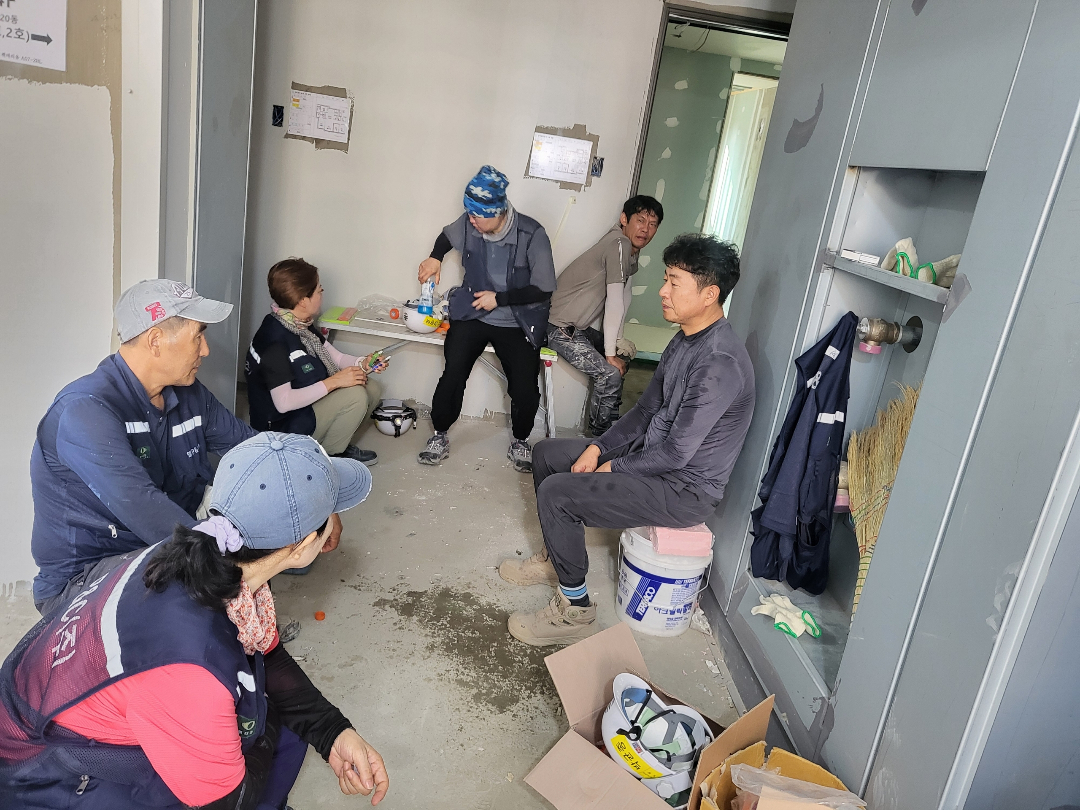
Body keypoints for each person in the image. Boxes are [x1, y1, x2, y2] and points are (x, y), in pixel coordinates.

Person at [0, 432, 389, 809]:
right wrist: (265, 722)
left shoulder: (199, 553)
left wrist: (332, 731)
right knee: (267, 730)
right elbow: (226, 799)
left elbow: (267, 654)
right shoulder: (188, 659)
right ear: (302, 547)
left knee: (277, 724)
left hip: (72, 718)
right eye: (330, 515)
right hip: (47, 777)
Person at [499, 234, 756, 646]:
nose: (662, 291)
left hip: (682, 489)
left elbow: (677, 453)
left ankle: (574, 608)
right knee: (547, 454)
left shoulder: (719, 363)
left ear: (709, 294)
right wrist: (598, 448)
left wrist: (613, 467)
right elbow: (645, 411)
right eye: (666, 279)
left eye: (674, 282)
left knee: (558, 494)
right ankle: (556, 559)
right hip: (654, 457)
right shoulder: (684, 339)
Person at [29, 279, 344, 614]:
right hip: (90, 576)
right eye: (198, 335)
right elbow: (150, 513)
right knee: (218, 589)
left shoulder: (188, 393)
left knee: (280, 535)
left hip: (165, 544)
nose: (205, 350)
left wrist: (318, 498)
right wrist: (249, 568)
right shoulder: (85, 411)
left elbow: (256, 448)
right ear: (155, 341)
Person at [416, 165, 556, 473]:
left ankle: (521, 440)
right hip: (473, 312)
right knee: (453, 373)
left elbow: (544, 288)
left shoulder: (532, 234)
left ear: (499, 211)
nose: (471, 221)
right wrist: (435, 257)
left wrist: (500, 299)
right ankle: (439, 434)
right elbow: (446, 235)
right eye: (469, 214)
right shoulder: (471, 222)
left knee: (524, 388)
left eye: (478, 215)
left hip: (517, 320)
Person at [246, 258, 386, 464]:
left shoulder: (300, 324)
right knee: (355, 395)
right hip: (280, 427)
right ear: (304, 300)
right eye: (319, 290)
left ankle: (335, 444)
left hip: (303, 408)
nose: (322, 293)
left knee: (370, 387)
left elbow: (336, 357)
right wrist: (335, 382)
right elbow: (284, 403)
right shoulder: (273, 341)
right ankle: (329, 457)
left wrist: (363, 363)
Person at [547, 196, 663, 436]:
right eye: (640, 220)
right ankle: (598, 439)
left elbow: (625, 294)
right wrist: (609, 355)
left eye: (652, 224)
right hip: (557, 327)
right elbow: (614, 300)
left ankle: (612, 424)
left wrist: (617, 341)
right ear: (624, 219)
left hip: (575, 329)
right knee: (609, 374)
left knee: (622, 356)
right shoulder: (618, 243)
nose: (645, 229)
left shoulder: (629, 250)